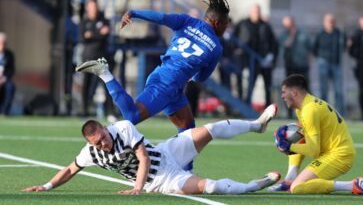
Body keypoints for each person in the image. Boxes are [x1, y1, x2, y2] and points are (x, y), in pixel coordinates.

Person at [22, 82, 280, 195]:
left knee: (209, 128)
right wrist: (46, 186)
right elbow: (70, 169)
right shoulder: (91, 153)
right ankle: (254, 186)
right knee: (211, 187)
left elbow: (143, 157)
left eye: (102, 137)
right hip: (162, 179)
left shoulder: (122, 128)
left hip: (168, 152)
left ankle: (256, 125)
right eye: (97, 143)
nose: (102, 144)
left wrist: (136, 187)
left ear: (104, 127)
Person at [76, 0, 230, 171]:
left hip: (169, 82)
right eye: (226, 24)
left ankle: (186, 172)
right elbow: (202, 77)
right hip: (166, 84)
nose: (226, 27)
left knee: (188, 128)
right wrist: (193, 71)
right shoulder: (217, 47)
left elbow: (161, 17)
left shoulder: (187, 21)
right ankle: (105, 74)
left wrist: (134, 12)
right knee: (132, 116)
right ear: (217, 23)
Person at [269, 74, 363, 195]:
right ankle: (289, 180)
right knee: (297, 137)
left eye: (284, 92)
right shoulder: (303, 107)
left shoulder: (309, 110)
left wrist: (288, 146)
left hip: (340, 156)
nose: (282, 96)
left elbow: (313, 150)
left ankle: (352, 185)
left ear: (294, 93)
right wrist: (287, 138)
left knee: (297, 188)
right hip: (331, 153)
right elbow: (304, 137)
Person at [234, 4, 278, 106]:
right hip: (249, 61)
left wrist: (271, 59)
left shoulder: (265, 26)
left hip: (264, 61)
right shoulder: (243, 23)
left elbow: (274, 44)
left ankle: (268, 109)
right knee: (250, 85)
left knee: (267, 87)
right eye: (254, 11)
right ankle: (246, 106)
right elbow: (235, 38)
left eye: (258, 11)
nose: (256, 14)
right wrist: (237, 50)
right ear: (250, 12)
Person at [79, 0, 113, 118]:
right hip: (88, 58)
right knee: (86, 85)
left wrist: (92, 35)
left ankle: (110, 111)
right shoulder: (84, 22)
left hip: (102, 59)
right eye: (91, 7)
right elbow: (83, 37)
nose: (93, 10)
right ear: (88, 8)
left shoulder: (103, 20)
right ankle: (84, 110)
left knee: (107, 84)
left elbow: (105, 34)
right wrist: (98, 34)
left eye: (95, 7)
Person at [279, 16, 312, 118]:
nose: (288, 26)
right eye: (286, 24)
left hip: (302, 66)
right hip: (290, 67)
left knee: (304, 89)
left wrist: (309, 61)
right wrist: (292, 36)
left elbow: (310, 48)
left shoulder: (303, 34)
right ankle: (289, 113)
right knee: (289, 90)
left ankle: (308, 112)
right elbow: (285, 46)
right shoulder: (283, 35)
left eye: (289, 23)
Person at [313, 13, 346, 115]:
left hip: (336, 64)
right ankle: (324, 113)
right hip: (324, 64)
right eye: (328, 21)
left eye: (332, 21)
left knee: (338, 90)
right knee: (324, 90)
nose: (331, 23)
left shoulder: (339, 34)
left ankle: (339, 114)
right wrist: (321, 58)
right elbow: (315, 49)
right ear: (324, 22)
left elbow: (344, 46)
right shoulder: (320, 34)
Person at [0, 32, 15, 115]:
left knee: (10, 86)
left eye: (4, 43)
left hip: (4, 79)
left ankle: (5, 111)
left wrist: (4, 79)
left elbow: (11, 70)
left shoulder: (9, 54)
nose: (2, 45)